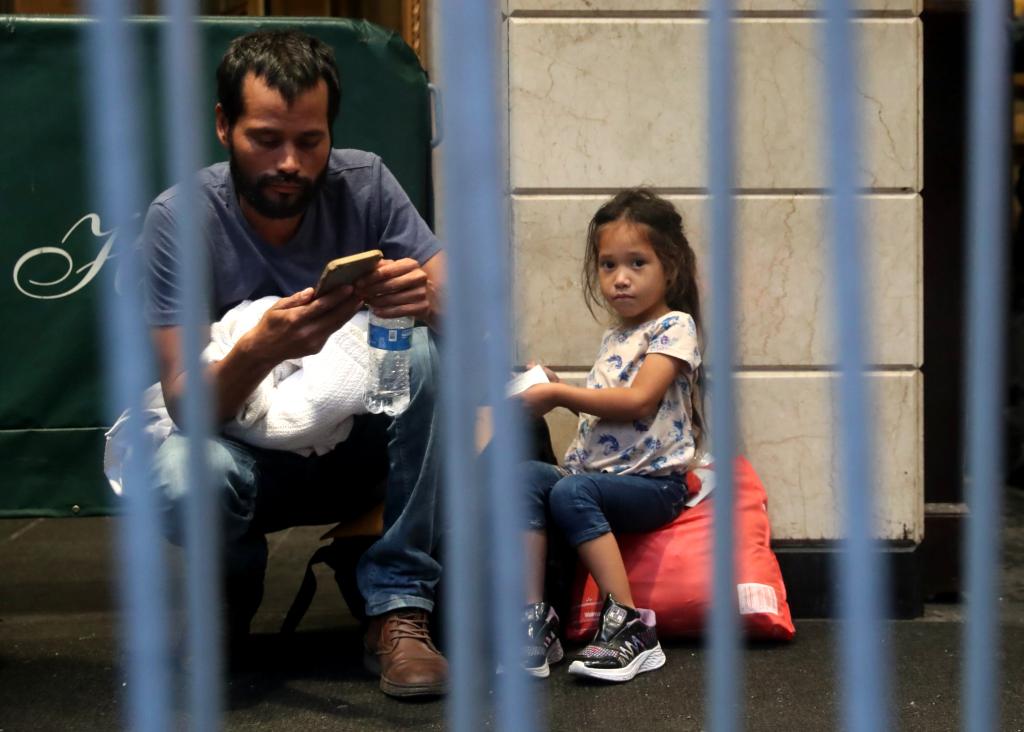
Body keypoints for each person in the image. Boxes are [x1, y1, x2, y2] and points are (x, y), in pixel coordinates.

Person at [142, 29, 447, 698]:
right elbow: (190, 407)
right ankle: (228, 594)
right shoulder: (178, 220)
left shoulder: (364, 182)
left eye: (310, 142)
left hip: (358, 449)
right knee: (176, 474)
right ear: (224, 126)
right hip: (248, 456)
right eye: (265, 139)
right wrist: (262, 347)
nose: (289, 162)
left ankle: (398, 606)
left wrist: (428, 297)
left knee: (419, 350)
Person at [516, 188, 706, 683]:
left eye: (637, 263)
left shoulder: (674, 327)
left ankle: (629, 624)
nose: (620, 278)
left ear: (671, 266)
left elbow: (639, 401)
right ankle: (535, 619)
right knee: (525, 479)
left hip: (654, 487)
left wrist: (560, 395)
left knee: (573, 490)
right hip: (601, 477)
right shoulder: (614, 336)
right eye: (607, 265)